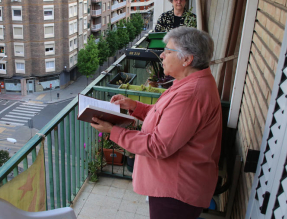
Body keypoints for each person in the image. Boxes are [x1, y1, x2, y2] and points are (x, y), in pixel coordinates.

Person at [91, 27, 222, 219]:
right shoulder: (188, 82)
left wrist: (113, 131)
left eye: (168, 51)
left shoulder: (191, 94)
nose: (162, 55)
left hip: (176, 193)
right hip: (176, 186)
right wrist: (134, 105)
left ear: (187, 59)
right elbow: (167, 117)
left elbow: (158, 145)